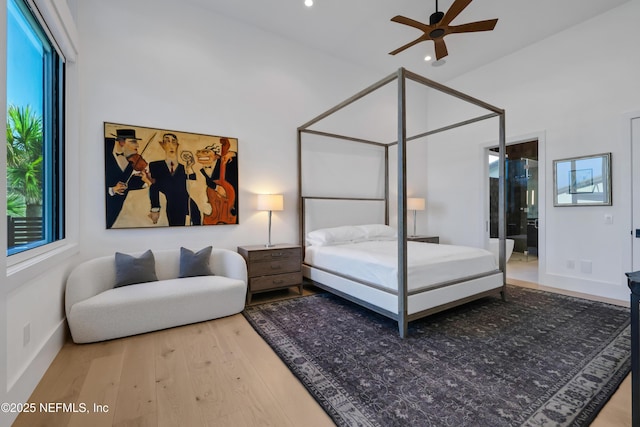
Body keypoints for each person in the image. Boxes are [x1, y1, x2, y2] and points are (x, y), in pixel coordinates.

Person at [147, 133, 201, 226]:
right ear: (162, 145)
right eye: (167, 141)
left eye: (174, 142)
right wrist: (155, 208)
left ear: (177, 145)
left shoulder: (183, 167)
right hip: (172, 204)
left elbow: (192, 182)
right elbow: (153, 187)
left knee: (197, 220)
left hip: (187, 201)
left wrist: (190, 167)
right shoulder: (155, 165)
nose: (171, 145)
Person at [104, 129, 150, 228]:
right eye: (133, 142)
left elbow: (128, 182)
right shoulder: (103, 149)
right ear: (121, 142)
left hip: (114, 210)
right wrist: (112, 189)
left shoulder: (132, 160)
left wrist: (146, 181)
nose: (137, 146)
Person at [196, 138, 238, 224]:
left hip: (231, 207)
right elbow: (209, 183)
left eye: (206, 152)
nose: (201, 155)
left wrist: (233, 154)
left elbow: (241, 162)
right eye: (200, 152)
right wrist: (216, 187)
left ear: (216, 155)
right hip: (213, 211)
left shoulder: (227, 163)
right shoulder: (202, 170)